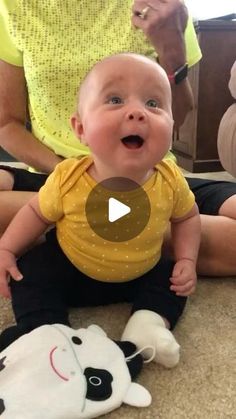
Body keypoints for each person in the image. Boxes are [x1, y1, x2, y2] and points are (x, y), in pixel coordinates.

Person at [0, 0, 235, 277]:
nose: (136, 113)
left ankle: (77, 236)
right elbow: (7, 124)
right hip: (55, 176)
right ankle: (134, 237)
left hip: (151, 176)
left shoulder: (162, 6)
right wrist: (73, 178)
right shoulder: (13, 7)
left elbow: (177, 116)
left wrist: (172, 51)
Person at [0, 53, 201, 367]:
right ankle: (46, 332)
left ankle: (147, 325)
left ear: (172, 126)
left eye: (153, 104)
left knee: (171, 276)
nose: (137, 113)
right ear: (80, 128)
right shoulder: (68, 177)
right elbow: (36, 213)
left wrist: (188, 259)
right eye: (116, 99)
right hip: (71, 269)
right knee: (29, 271)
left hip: (140, 272)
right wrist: (7, 248)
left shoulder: (170, 179)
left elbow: (187, 217)